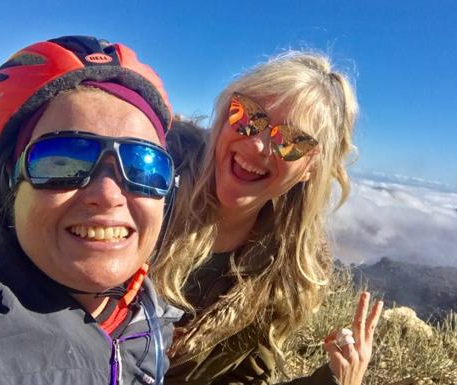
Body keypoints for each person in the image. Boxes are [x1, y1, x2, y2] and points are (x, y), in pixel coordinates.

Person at [0, 36, 182, 385]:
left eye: (143, 164)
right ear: (10, 184)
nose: (107, 194)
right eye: (62, 160)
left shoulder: (151, 320)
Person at [153, 53, 384, 385]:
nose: (258, 144)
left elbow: (242, 378)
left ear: (311, 167)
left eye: (289, 140)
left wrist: (333, 379)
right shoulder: (145, 181)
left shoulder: (281, 269)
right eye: (248, 115)